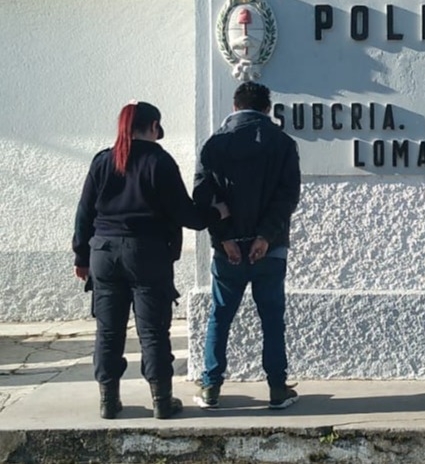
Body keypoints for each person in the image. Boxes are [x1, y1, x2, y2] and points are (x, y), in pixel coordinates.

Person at [72, 101, 228, 420]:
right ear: (154, 126)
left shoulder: (103, 160)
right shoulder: (159, 161)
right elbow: (185, 213)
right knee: (153, 331)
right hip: (147, 254)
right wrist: (217, 213)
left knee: (108, 331)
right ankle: (161, 400)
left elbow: (84, 213)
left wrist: (81, 255)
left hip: (103, 253)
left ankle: (108, 401)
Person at [193, 81, 301, 410]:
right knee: (271, 317)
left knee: (220, 315)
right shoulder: (283, 143)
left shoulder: (215, 145)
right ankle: (277, 388)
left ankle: (211, 387)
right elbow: (287, 197)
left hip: (229, 250)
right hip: (270, 248)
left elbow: (203, 196)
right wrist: (265, 236)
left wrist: (224, 236)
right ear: (267, 109)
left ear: (235, 107)